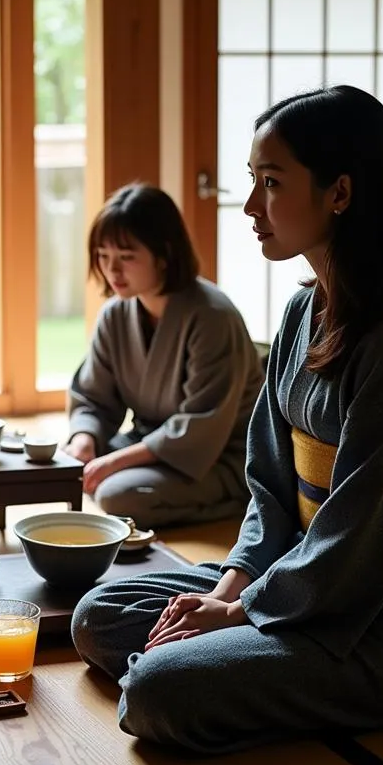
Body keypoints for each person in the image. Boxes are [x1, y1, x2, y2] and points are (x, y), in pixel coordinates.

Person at [71, 86, 383, 754]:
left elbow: (361, 543)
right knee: (99, 616)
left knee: (157, 690)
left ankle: (211, 672)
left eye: (271, 183)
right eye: (252, 182)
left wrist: (234, 614)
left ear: (339, 193)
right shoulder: (301, 314)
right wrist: (233, 584)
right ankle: (230, 665)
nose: (250, 206)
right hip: (303, 582)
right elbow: (267, 487)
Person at [64, 183, 263, 529]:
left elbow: (200, 425)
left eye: (126, 257)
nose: (113, 270)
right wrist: (84, 441)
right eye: (103, 255)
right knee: (67, 468)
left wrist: (113, 463)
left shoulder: (212, 316)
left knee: (114, 494)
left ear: (164, 254)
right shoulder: (115, 314)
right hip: (149, 443)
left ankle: (241, 504)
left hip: (220, 458)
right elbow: (93, 398)